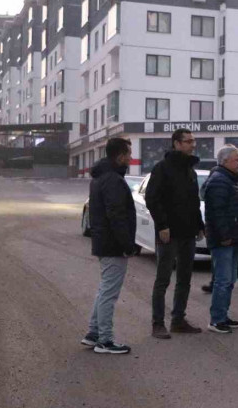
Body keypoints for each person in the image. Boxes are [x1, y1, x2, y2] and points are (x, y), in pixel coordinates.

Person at [145, 128, 205, 339]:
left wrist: (199, 225)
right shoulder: (162, 168)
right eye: (188, 141)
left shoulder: (190, 169)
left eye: (193, 141)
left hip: (188, 233)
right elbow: (152, 199)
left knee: (185, 279)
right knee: (163, 279)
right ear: (177, 144)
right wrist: (162, 225)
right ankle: (158, 323)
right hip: (169, 233)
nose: (192, 145)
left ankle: (178, 320)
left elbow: (193, 201)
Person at [82, 138, 137, 354]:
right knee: (109, 293)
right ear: (120, 156)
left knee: (105, 289)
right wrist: (127, 244)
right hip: (112, 244)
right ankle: (104, 340)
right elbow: (117, 215)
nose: (131, 157)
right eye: (128, 153)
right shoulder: (112, 180)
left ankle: (93, 333)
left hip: (105, 241)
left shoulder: (101, 177)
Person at [202, 145, 238, 334]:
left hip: (234, 239)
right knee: (223, 280)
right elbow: (217, 213)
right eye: (237, 159)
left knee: (229, 280)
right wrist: (224, 236)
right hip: (225, 241)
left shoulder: (230, 180)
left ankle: (223, 316)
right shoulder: (219, 181)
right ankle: (216, 320)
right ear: (225, 161)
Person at [202, 164, 238, 293]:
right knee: (220, 258)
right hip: (226, 222)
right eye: (236, 159)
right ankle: (215, 282)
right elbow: (206, 193)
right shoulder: (216, 174)